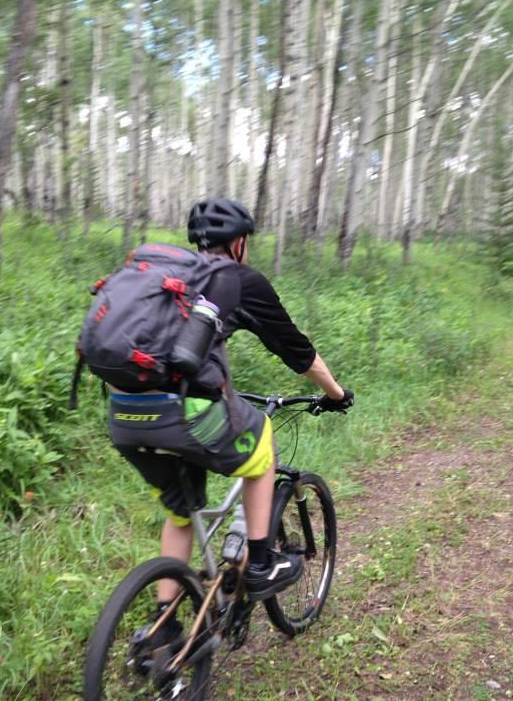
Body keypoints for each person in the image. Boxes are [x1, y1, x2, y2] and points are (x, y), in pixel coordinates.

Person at [107, 197, 353, 644]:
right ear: (238, 243)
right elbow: (296, 350)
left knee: (182, 509)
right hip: (185, 412)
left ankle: (166, 626)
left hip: (123, 414)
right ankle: (260, 563)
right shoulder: (237, 280)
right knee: (260, 438)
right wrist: (335, 393)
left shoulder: (164, 277)